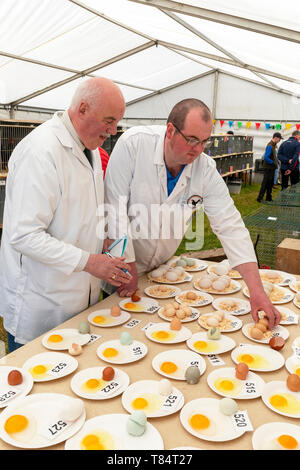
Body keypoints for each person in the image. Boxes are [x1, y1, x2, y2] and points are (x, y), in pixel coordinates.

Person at [104, 98, 281, 329]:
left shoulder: (204, 169)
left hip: (160, 270)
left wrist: (257, 292)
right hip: (121, 266)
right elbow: (113, 209)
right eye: (192, 140)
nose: (198, 150)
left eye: (204, 141)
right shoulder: (134, 145)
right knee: (116, 326)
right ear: (170, 131)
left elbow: (230, 226)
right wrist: (128, 264)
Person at [0, 77, 131, 352]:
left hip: (81, 302)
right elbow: (24, 235)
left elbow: (80, 213)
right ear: (82, 108)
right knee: (36, 389)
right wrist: (89, 261)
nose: (113, 129)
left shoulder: (91, 149)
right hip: (42, 307)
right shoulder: (41, 152)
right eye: (109, 120)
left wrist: (101, 242)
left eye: (117, 121)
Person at [257, 132, 282, 203]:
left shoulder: (273, 145)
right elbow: (266, 157)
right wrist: (273, 163)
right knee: (265, 183)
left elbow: (273, 156)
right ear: (276, 138)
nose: (279, 141)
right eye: (279, 139)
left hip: (272, 168)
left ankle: (268, 197)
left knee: (270, 184)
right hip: (268, 168)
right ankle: (260, 198)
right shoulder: (270, 146)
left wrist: (277, 161)